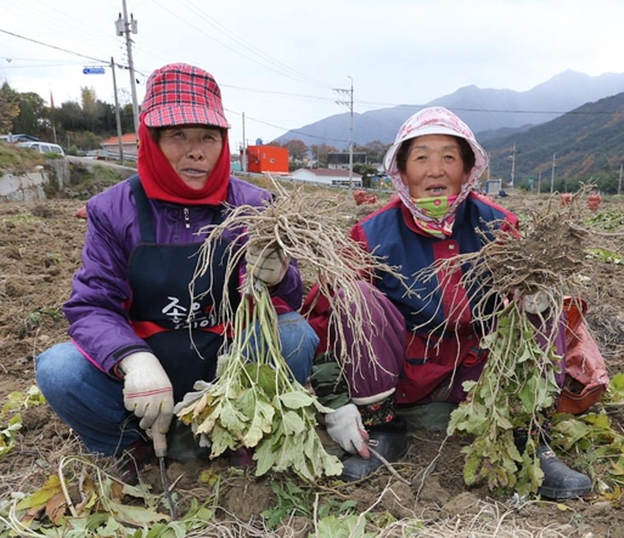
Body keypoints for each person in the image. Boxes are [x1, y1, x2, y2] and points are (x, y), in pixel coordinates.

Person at [34, 63, 318, 484]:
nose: (196, 151)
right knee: (59, 369)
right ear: (151, 140)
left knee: (296, 336)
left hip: (226, 361)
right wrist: (132, 360)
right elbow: (94, 305)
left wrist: (280, 277)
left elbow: (287, 304)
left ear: (224, 142)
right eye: (177, 135)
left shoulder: (254, 207)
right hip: (147, 360)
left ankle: (239, 433)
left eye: (208, 136)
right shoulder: (114, 211)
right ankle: (130, 446)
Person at [302, 106, 594, 500]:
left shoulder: (498, 225)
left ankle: (530, 440)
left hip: (478, 372)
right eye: (421, 157)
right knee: (356, 298)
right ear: (402, 172)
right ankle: (383, 429)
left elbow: (528, 301)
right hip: (404, 375)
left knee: (539, 298)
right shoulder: (370, 234)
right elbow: (322, 317)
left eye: (448, 157)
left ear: (467, 169)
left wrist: (531, 296)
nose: (435, 170)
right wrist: (334, 401)